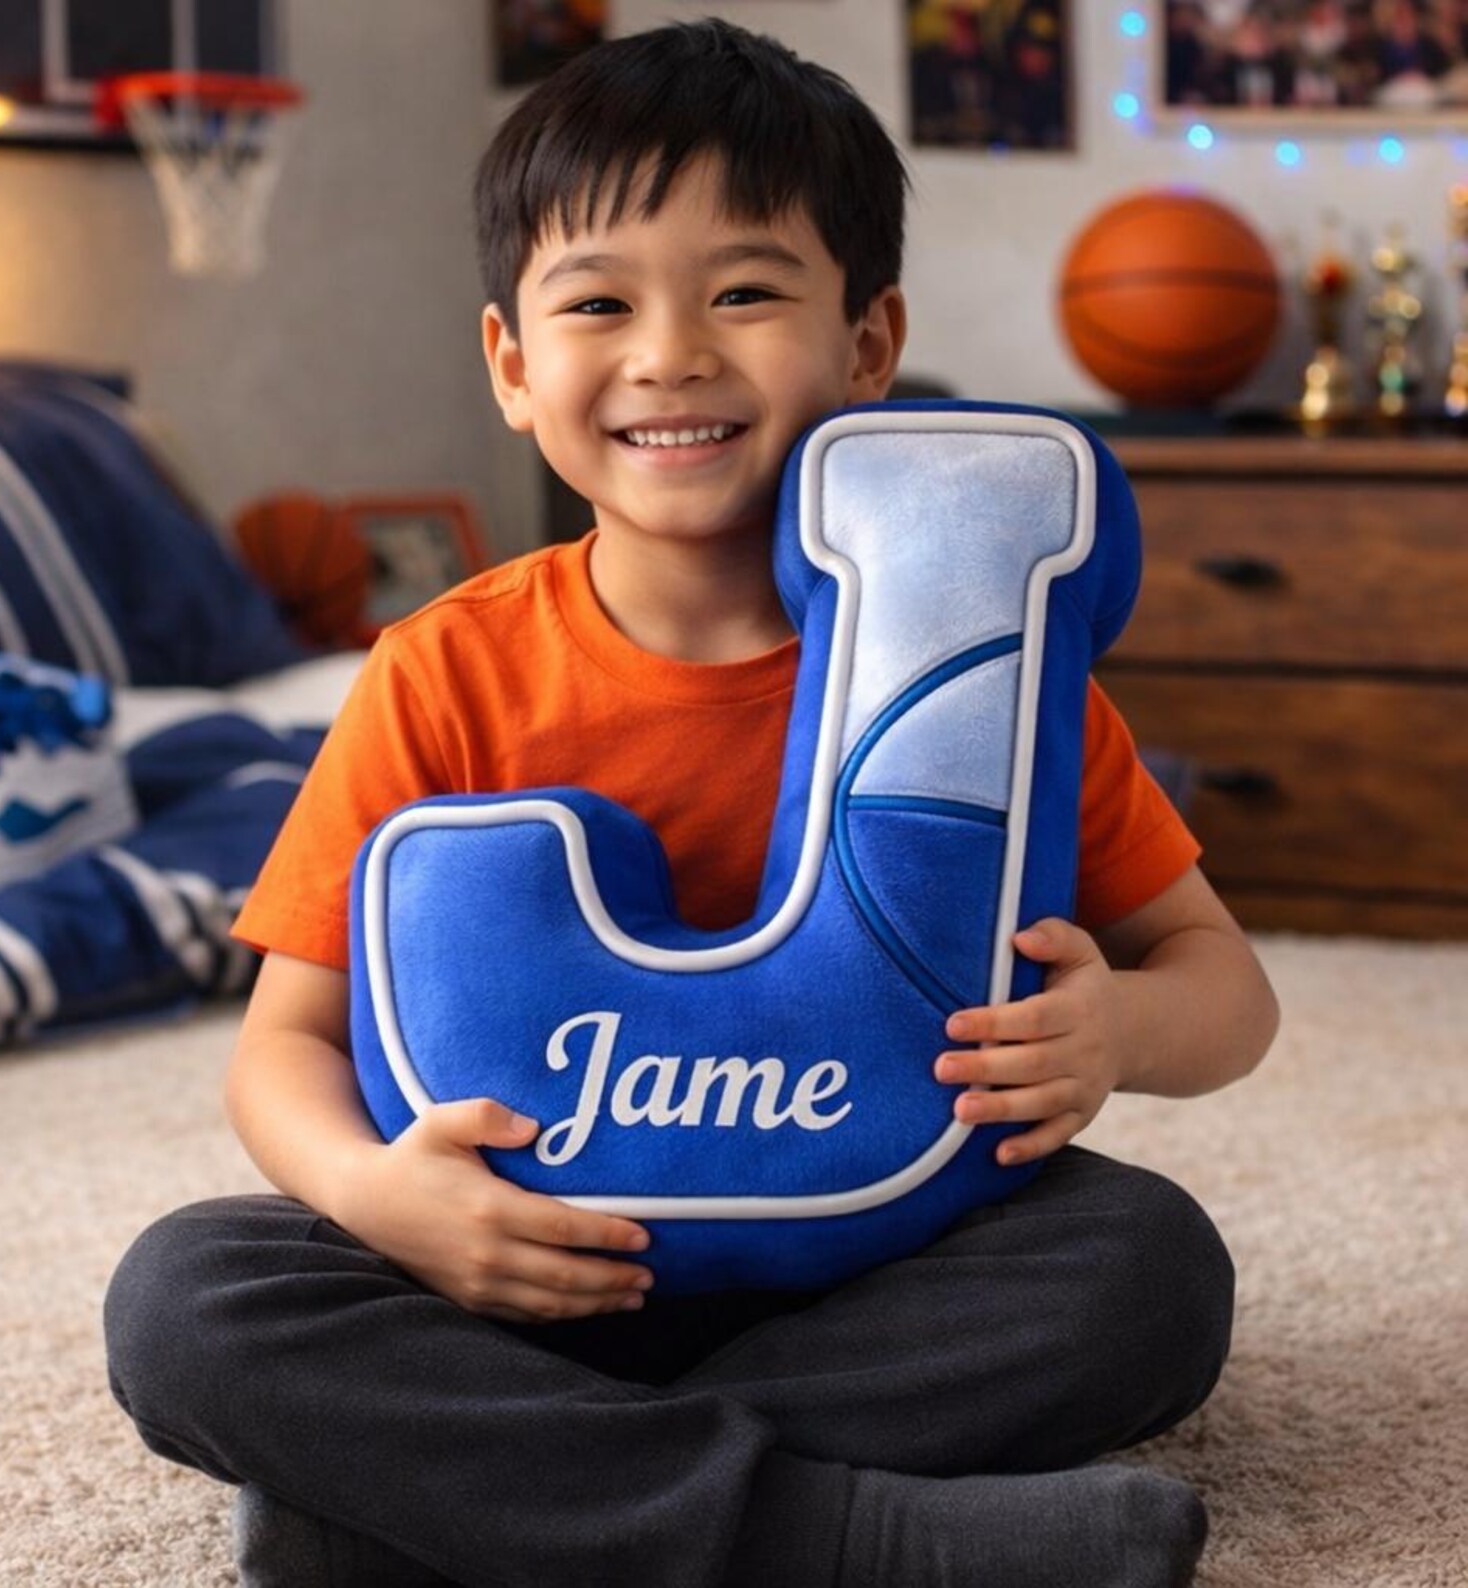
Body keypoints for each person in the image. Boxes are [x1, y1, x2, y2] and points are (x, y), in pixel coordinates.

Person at [104, 19, 1280, 1588]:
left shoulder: (987, 677)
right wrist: (379, 1194)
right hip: (519, 1269)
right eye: (598, 304)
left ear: (869, 343)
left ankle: (437, 1510)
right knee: (188, 1299)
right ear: (514, 367)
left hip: (872, 1250)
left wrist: (1121, 1034)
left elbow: (1230, 989)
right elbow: (284, 1048)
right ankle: (837, 1535)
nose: (671, 353)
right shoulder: (439, 672)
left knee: (1145, 1274)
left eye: (744, 291)